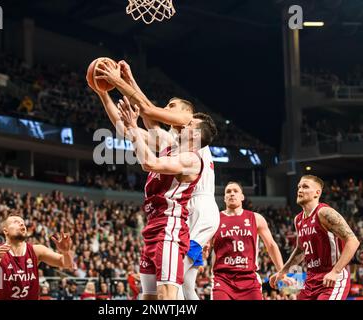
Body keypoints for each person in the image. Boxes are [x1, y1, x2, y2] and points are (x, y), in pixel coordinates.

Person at [92, 60, 220, 300]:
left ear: (186, 116)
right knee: (163, 290)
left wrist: (119, 81)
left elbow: (148, 111)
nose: (167, 109)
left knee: (174, 286)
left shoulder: (191, 145)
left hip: (193, 210)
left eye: (172, 106)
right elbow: (130, 128)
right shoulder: (171, 143)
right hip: (159, 220)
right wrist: (104, 93)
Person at [117, 96, 217, 300]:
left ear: (195, 134)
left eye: (189, 123)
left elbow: (149, 163)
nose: (183, 124)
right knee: (149, 297)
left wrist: (133, 128)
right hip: (153, 226)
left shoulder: (191, 157)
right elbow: (148, 117)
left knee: (170, 294)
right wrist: (106, 93)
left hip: (172, 226)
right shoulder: (172, 148)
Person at [270, 175, 360, 300]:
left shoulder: (324, 213)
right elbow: (301, 250)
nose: (300, 190)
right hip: (311, 278)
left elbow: (353, 241)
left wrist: (335, 272)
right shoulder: (298, 219)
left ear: (317, 193)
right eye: (299, 187)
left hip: (331, 277)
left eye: (305, 187)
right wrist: (283, 271)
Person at [209, 181, 292, 300]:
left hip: (249, 279)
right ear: (224, 198)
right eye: (228, 192)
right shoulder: (215, 219)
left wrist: (281, 271)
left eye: (235, 191)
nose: (232, 194)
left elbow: (271, 245)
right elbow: (205, 245)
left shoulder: (256, 218)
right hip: (222, 279)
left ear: (242, 197)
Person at [0, 214, 74, 300]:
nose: (21, 224)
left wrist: (66, 252)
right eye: (16, 222)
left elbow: (66, 263)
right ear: (5, 230)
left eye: (22, 223)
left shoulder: (37, 250)